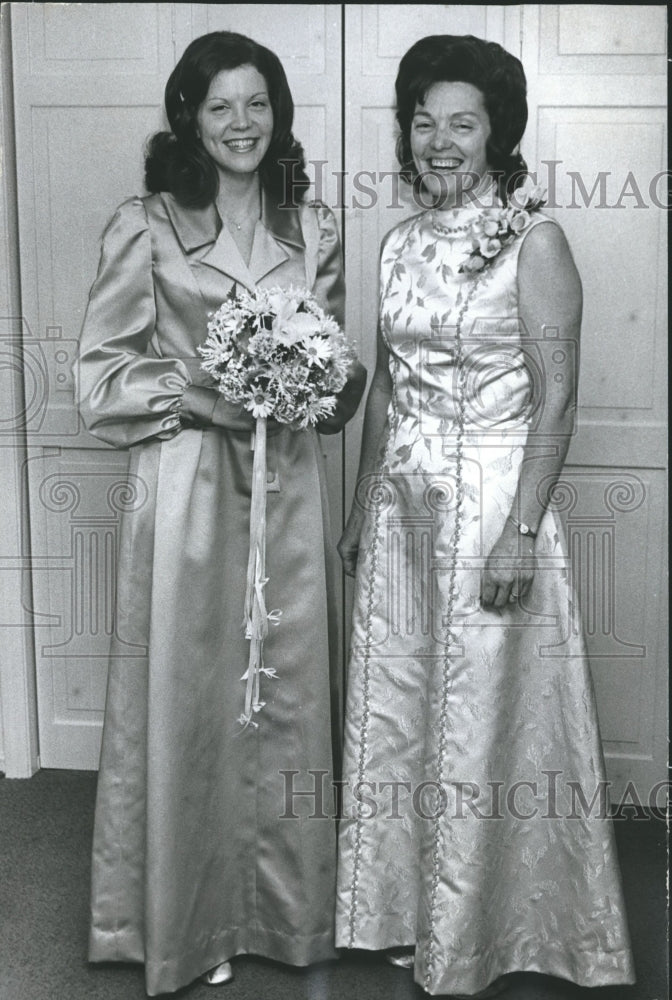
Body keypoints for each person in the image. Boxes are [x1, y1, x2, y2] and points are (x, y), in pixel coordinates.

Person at [335, 34, 635, 999]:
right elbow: (384, 385)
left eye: (461, 122)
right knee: (406, 711)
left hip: (493, 507)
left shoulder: (535, 240)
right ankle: (398, 911)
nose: (439, 140)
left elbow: (558, 400)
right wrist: (358, 508)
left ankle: (488, 930)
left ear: (498, 130)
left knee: (484, 723)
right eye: (423, 122)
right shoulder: (399, 243)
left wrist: (519, 531)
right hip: (403, 510)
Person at [76, 30, 365, 996]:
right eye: (219, 106)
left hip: (288, 495)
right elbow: (101, 380)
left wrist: (329, 382)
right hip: (190, 493)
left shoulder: (314, 227)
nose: (241, 124)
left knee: (288, 698)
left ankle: (290, 917)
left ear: (277, 114)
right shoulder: (147, 223)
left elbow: (334, 363)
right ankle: (188, 925)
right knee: (195, 703)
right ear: (189, 118)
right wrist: (207, 394)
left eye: (258, 104)